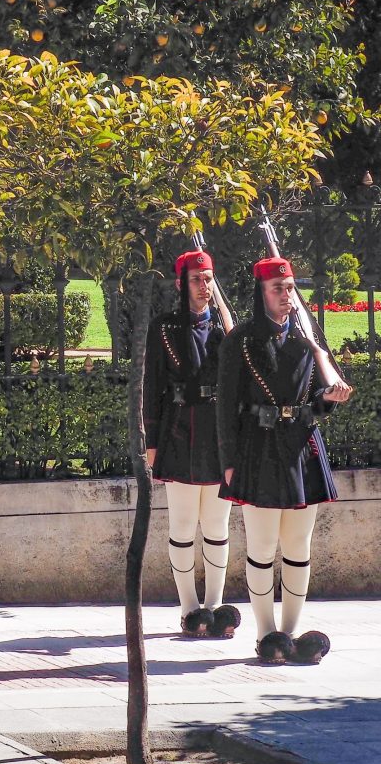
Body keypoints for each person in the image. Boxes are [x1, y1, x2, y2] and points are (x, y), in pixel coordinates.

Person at [216, 256, 352, 664]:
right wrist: (228, 459)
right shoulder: (239, 341)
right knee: (261, 546)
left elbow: (314, 398)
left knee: (297, 544)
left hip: (301, 445)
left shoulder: (306, 339)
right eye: (277, 288)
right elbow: (226, 408)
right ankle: (265, 633)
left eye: (290, 287)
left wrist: (328, 398)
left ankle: (289, 636)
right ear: (262, 293)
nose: (286, 295)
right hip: (258, 447)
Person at [144, 250, 240, 639]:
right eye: (198, 279)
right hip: (179, 433)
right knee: (183, 526)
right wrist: (151, 446)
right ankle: (188, 608)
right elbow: (151, 390)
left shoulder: (224, 330)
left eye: (209, 279)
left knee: (217, 525)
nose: (205, 286)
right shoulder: (163, 328)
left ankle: (215, 606)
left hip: (216, 437)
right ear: (182, 283)